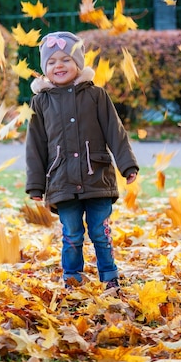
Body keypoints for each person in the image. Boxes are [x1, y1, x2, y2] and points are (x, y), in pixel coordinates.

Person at [25, 31, 139, 292]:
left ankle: (109, 277)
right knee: (72, 235)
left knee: (100, 232)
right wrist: (35, 185)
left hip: (96, 176)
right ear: (44, 69)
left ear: (78, 63)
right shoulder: (40, 103)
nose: (59, 66)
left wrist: (127, 164)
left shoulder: (96, 95)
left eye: (66, 59)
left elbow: (114, 130)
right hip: (61, 180)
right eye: (51, 62)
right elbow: (35, 146)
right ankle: (73, 279)